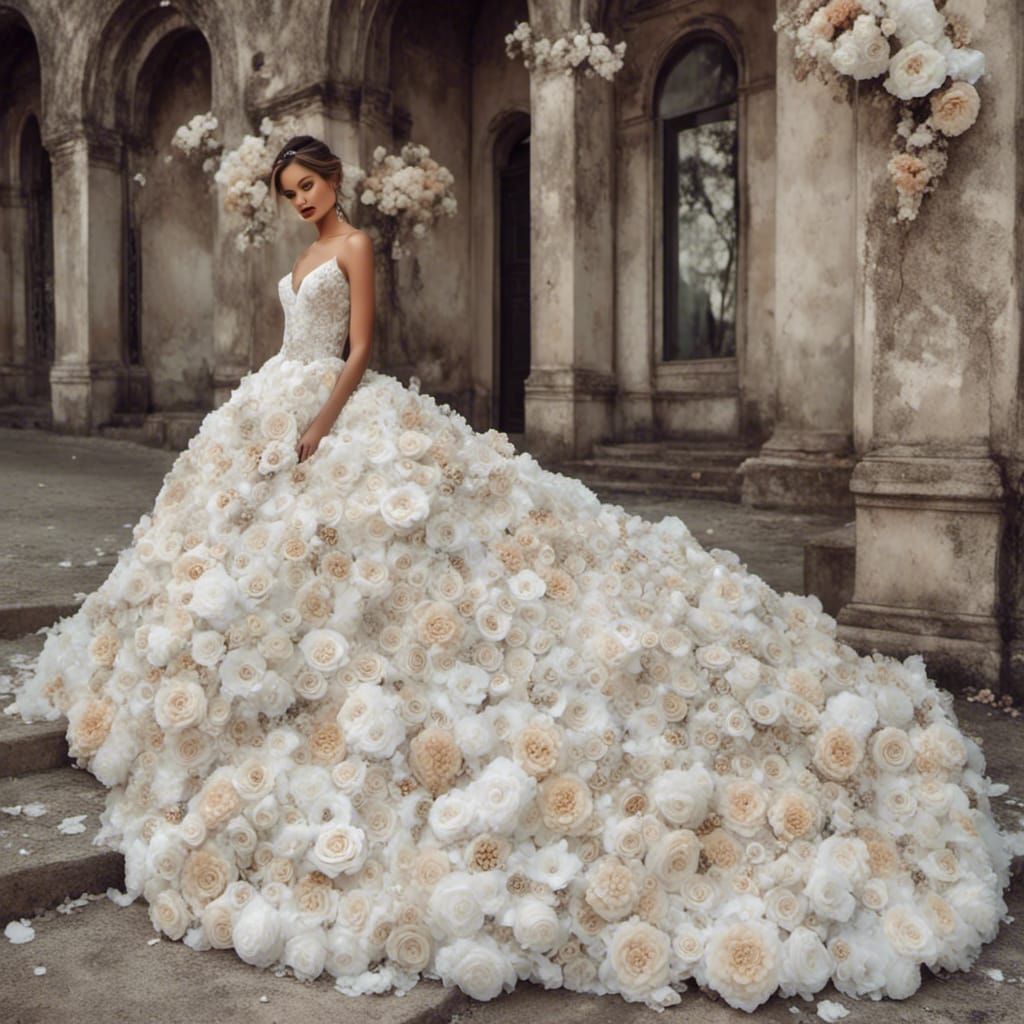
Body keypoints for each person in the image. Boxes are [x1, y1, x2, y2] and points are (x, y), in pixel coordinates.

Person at [8, 135, 1016, 1012]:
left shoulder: (355, 247)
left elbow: (360, 350)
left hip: (333, 412)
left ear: (331, 181)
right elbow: (294, 340)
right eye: (287, 194)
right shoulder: (303, 254)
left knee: (385, 557)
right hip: (268, 407)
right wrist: (272, 405)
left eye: (307, 186)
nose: (300, 202)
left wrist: (317, 420)